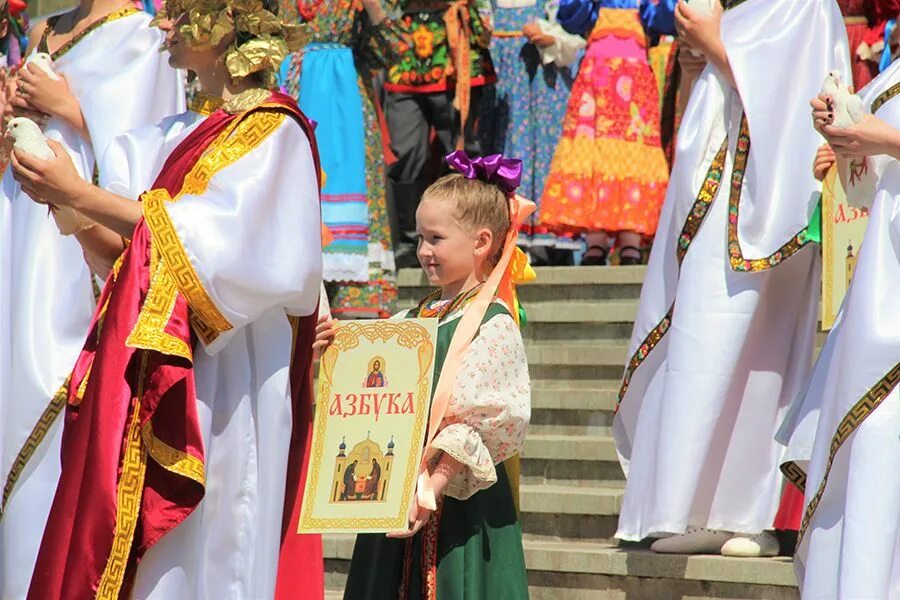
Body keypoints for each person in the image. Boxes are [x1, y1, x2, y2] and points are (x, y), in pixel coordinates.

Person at [9, 0, 324, 596]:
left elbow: (222, 249)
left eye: (180, 13)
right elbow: (121, 253)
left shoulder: (273, 130)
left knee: (217, 541)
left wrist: (80, 194)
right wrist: (66, 204)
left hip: (228, 376)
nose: (162, 23)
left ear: (226, 21)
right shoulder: (154, 139)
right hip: (145, 369)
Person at [613, 0, 850, 557]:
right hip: (714, 200)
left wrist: (716, 43)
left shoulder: (807, 6)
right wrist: (700, 54)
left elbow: (800, 99)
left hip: (767, 207)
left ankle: (751, 514)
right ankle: (690, 508)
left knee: (759, 359)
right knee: (697, 349)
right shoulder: (745, 11)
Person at [0, 2, 183, 597]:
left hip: (75, 262)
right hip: (20, 240)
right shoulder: (43, 30)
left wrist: (66, 107)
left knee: (56, 410)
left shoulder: (142, 38)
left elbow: (152, 168)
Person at [315, 151, 532, 598]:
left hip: (458, 506)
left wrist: (432, 486)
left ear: (481, 242)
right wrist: (332, 351)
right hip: (397, 494)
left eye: (436, 238)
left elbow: (483, 421)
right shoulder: (410, 321)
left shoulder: (493, 324)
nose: (423, 251)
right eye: (419, 238)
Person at [777, 58, 900, 599]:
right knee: (866, 449)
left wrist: (885, 140)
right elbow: (874, 183)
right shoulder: (893, 72)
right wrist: (846, 140)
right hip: (881, 281)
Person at [279, 0, 398, 318]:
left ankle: (354, 299)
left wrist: (374, 9)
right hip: (290, 92)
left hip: (344, 107)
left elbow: (393, 52)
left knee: (348, 186)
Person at [382, 0, 496, 268]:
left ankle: (468, 238)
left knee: (461, 154)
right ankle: (410, 241)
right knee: (405, 151)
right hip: (407, 45)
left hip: (452, 46)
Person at [480, 0, 584, 264]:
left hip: (545, 91)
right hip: (504, 92)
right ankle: (509, 234)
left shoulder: (550, 3)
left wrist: (551, 39)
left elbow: (576, 40)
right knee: (508, 153)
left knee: (546, 153)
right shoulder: (489, 5)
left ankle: (551, 235)